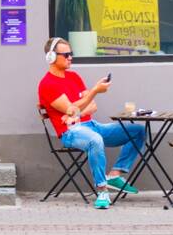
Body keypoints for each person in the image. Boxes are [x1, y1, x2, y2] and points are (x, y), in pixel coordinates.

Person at [37, 36, 147, 210]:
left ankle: (115, 174)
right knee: (95, 140)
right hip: (70, 133)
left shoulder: (73, 77)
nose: (70, 57)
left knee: (137, 130)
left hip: (92, 126)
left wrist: (76, 110)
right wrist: (93, 92)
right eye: (65, 55)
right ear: (51, 57)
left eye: (71, 54)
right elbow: (72, 109)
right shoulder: (47, 84)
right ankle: (102, 190)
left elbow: (91, 106)